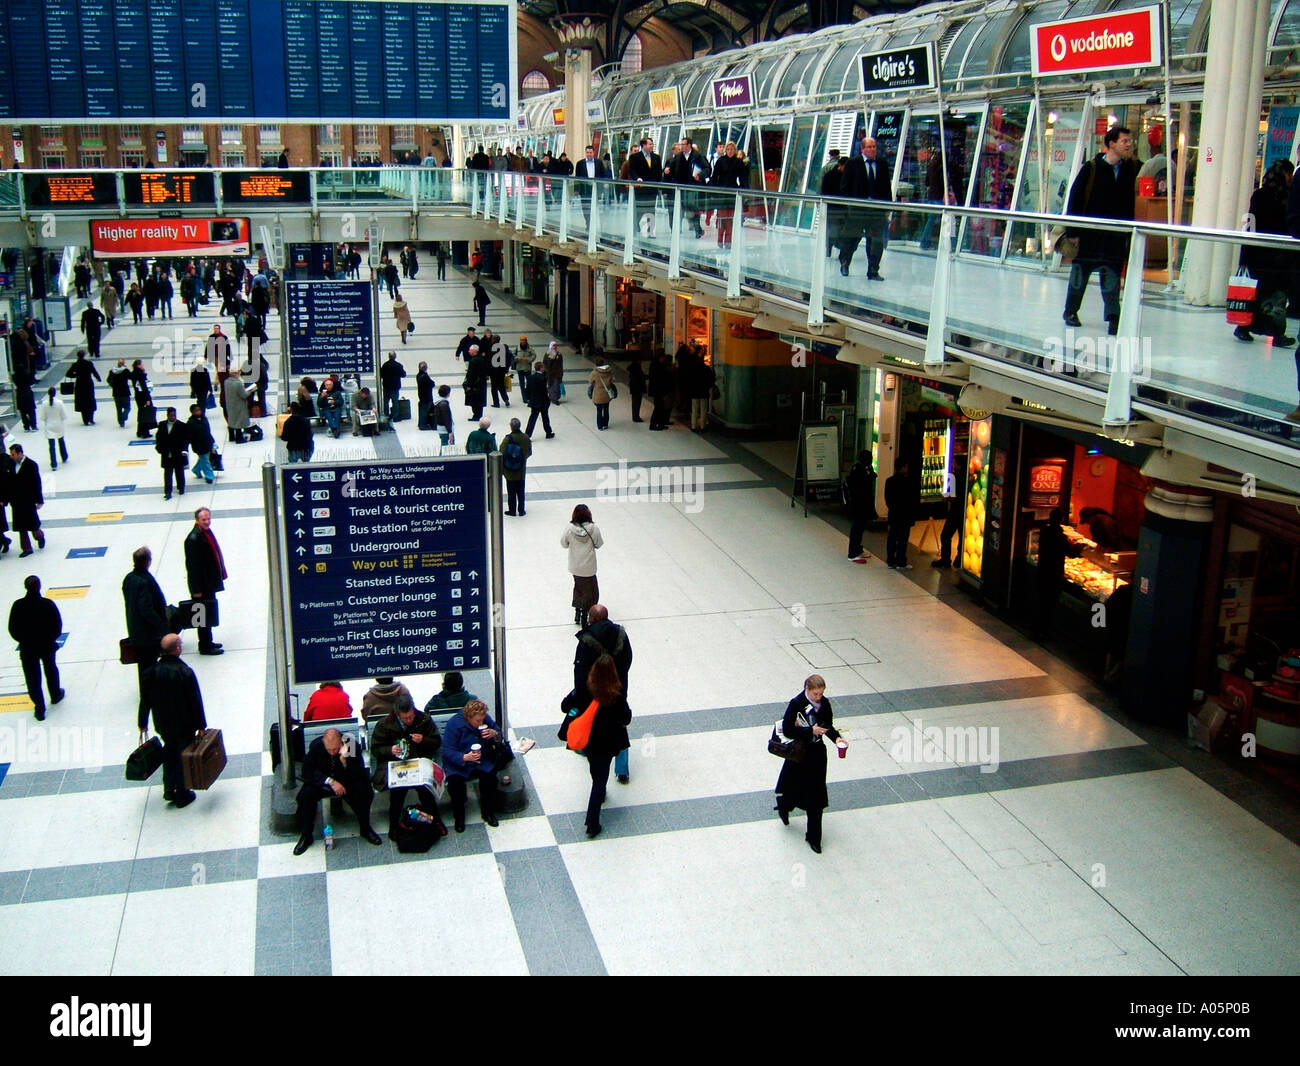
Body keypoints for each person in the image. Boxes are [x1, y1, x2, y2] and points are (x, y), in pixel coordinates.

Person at [1061, 126, 1137, 335]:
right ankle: (1071, 311)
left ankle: (1113, 316)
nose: (1129, 145)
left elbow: (1129, 204)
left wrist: (1130, 232)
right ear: (1111, 144)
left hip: (1115, 235)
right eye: (1125, 141)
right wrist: (1073, 231)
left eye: (1130, 141)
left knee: (1112, 275)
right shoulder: (1092, 168)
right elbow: (1075, 199)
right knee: (1080, 273)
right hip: (1089, 234)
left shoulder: (1128, 170)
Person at [774, 674, 846, 854]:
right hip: (800, 755)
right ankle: (784, 804)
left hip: (817, 755)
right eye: (815, 694)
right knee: (795, 788)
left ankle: (814, 837)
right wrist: (809, 731)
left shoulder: (825, 704)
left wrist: (837, 738)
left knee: (817, 796)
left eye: (820, 694)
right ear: (807, 688)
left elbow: (827, 726)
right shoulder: (796, 703)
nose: (818, 698)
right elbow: (788, 729)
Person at [1234, 159, 1295, 346]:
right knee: (1273, 295)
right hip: (1270, 254)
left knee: (1264, 294)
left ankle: (1248, 328)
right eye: (1288, 173)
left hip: (1266, 255)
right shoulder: (1278, 197)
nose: (1290, 178)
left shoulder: (1265, 195)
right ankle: (1272, 333)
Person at [293, 727, 383, 854]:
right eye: (329, 749)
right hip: (325, 783)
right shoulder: (317, 746)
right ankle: (306, 835)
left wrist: (344, 762)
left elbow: (358, 773)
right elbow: (307, 771)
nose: (332, 752)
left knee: (364, 791)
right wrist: (331, 782)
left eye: (335, 749)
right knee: (306, 795)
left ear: (341, 743)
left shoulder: (351, 745)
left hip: (347, 781)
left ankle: (365, 828)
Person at [143, 633, 206, 809]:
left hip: (163, 723)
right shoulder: (184, 672)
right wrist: (201, 726)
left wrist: (142, 722)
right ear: (177, 648)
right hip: (184, 724)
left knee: (169, 753)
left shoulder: (151, 672)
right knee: (181, 756)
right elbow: (195, 701)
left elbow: (145, 699)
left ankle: (169, 788)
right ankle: (182, 793)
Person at [574, 604, 633, 782]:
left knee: (592, 721)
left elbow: (580, 669)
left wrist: (580, 692)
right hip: (618, 688)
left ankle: (588, 749)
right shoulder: (620, 634)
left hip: (593, 692)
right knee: (620, 723)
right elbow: (628, 658)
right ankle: (622, 769)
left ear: (592, 619)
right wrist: (619, 678)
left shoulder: (586, 639)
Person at [370, 694, 444, 835]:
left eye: (411, 716)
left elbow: (436, 742)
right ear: (398, 715)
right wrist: (389, 750)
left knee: (425, 790)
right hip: (397, 764)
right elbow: (376, 749)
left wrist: (423, 740)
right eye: (405, 718)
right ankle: (394, 825)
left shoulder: (423, 720)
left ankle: (436, 820)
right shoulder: (385, 725)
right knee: (398, 793)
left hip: (418, 763)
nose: (409, 720)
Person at [579, 654, 632, 839]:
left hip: (590, 741)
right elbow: (626, 718)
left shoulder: (586, 692)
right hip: (608, 743)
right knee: (600, 778)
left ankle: (600, 793)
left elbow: (566, 705)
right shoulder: (615, 697)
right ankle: (592, 822)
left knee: (596, 772)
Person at [124, 548, 170, 733]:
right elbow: (146, 608)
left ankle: (146, 689)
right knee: (148, 664)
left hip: (136, 632)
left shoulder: (129, 578)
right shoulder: (143, 581)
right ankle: (149, 692)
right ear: (147, 561)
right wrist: (160, 625)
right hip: (147, 634)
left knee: (143, 664)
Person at [8, 574, 64, 721]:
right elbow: (57, 626)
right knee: (50, 669)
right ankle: (55, 694)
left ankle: (39, 708)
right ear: (39, 586)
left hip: (28, 647)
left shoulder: (18, 605)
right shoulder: (47, 604)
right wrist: (50, 639)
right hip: (46, 645)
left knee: (32, 678)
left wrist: (23, 640)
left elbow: (12, 629)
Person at [441, 699, 502, 832]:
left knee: (490, 779)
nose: (481, 723)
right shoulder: (454, 724)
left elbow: (498, 733)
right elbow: (447, 751)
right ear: (469, 717)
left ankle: (488, 812)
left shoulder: (484, 719)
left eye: (482, 720)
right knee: (455, 785)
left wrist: (494, 734)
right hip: (459, 764)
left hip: (482, 759)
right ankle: (459, 817)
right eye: (478, 721)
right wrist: (464, 757)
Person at [840, 135, 893, 279]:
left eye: (874, 146)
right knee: (851, 239)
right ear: (862, 149)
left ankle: (873, 270)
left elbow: (886, 187)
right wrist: (848, 206)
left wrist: (887, 206)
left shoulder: (882, 164)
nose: (872, 149)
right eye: (869, 147)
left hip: (876, 211)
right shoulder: (853, 163)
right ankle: (845, 262)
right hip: (857, 210)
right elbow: (845, 187)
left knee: (876, 242)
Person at [183, 507, 226, 655]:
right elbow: (192, 567)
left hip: (208, 583)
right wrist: (196, 590)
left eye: (208, 518)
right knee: (203, 616)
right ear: (197, 520)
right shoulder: (193, 539)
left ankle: (208, 641)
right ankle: (205, 645)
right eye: (204, 519)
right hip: (202, 586)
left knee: (208, 612)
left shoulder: (205, 534)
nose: (207, 522)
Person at [1034, 509, 1080, 640]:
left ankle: (1037, 629)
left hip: (1042, 571)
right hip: (1053, 575)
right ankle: (1045, 631)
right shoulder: (1059, 536)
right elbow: (1071, 553)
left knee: (1040, 602)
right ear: (1062, 519)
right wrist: (1079, 547)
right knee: (1049, 605)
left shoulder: (1045, 531)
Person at [561, 504, 604, 627]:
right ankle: (585, 615)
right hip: (589, 567)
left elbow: (563, 543)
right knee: (591, 591)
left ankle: (577, 611)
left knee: (579, 586)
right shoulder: (594, 528)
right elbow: (599, 543)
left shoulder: (569, 529)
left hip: (575, 566)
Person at [8, 444, 44, 557]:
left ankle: (39, 536)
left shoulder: (31, 465)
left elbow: (37, 483)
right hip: (16, 500)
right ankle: (26, 548)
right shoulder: (11, 465)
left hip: (28, 500)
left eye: (13, 454)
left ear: (20, 453)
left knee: (33, 524)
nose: (11, 456)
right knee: (21, 526)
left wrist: (39, 500)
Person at [708, 141, 745, 248]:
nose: (730, 151)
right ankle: (720, 240)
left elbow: (743, 178)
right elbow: (715, 177)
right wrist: (713, 192)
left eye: (732, 149)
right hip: (721, 194)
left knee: (730, 219)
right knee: (722, 218)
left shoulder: (739, 162)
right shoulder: (720, 161)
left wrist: (741, 190)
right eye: (728, 149)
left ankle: (728, 242)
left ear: (735, 150)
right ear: (725, 150)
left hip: (733, 193)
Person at [884, 458, 917, 570]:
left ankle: (890, 560)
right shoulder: (908, 482)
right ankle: (901, 561)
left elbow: (887, 499)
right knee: (903, 539)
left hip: (893, 515)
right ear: (903, 468)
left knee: (892, 538)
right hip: (905, 516)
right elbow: (911, 500)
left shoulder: (889, 481)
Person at [846, 451, 878, 563]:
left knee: (860, 528)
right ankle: (852, 553)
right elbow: (860, 485)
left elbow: (872, 476)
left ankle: (858, 549)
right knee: (856, 528)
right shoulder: (858, 470)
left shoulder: (865, 468)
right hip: (858, 504)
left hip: (864, 504)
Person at [155, 407, 189, 499]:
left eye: (174, 415)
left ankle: (181, 487)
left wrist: (185, 450)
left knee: (179, 472)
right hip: (167, 454)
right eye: (171, 415)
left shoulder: (182, 425)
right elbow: (158, 437)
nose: (173, 417)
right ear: (167, 415)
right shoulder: (162, 425)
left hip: (178, 454)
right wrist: (159, 448)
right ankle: (168, 492)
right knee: (167, 474)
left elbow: (185, 439)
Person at [501, 417, 532, 516]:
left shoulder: (508, 439)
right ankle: (521, 510)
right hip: (521, 470)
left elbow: (501, 452)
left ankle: (512, 510)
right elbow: (529, 452)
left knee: (511, 491)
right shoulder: (526, 438)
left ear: (511, 427)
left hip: (509, 470)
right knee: (520, 490)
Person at [820, 151, 848, 257]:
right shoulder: (832, 174)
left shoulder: (827, 170)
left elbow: (821, 186)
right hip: (835, 206)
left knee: (833, 228)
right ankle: (835, 244)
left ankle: (831, 246)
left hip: (835, 206)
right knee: (836, 228)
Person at [64, 349, 101, 426]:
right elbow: (94, 371)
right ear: (84, 355)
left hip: (80, 384)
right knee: (90, 400)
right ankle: (91, 418)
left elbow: (68, 374)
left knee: (82, 401)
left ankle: (85, 420)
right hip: (88, 383)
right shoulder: (88, 363)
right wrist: (98, 378)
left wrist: (75, 375)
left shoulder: (75, 364)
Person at [186, 403, 216, 484]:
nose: (198, 412)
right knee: (205, 461)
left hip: (207, 443)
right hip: (199, 445)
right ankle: (209, 476)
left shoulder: (204, 419)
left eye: (199, 410)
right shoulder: (190, 423)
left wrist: (212, 441)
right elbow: (189, 436)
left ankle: (196, 469)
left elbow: (208, 431)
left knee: (203, 459)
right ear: (192, 412)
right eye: (196, 411)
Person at [223, 368, 255, 443]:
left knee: (232, 420)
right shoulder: (238, 383)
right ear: (235, 374)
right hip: (239, 404)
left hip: (230, 403)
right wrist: (250, 391)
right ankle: (239, 438)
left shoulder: (226, 382)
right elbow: (243, 395)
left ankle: (231, 437)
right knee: (239, 421)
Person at [40, 388, 69, 470]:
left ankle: (53, 464)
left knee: (51, 446)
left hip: (49, 426)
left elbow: (42, 417)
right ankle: (64, 456)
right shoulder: (60, 403)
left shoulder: (45, 403)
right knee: (61, 441)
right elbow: (64, 416)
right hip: (59, 425)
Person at [934, 487, 962, 569]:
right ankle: (958, 560)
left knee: (945, 535)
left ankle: (945, 560)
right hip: (963, 511)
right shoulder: (967, 477)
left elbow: (955, 497)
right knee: (961, 537)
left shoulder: (956, 476)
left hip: (956, 511)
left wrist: (947, 497)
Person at [525, 361, 555, 438]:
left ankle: (528, 434)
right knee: (545, 417)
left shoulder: (530, 377)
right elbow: (544, 391)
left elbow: (527, 389)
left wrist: (528, 398)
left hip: (534, 401)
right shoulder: (543, 378)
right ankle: (548, 432)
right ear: (541, 368)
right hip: (543, 401)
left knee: (532, 419)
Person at [687, 351, 714, 432]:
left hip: (694, 391)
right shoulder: (707, 369)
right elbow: (711, 380)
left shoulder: (692, 369)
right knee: (704, 410)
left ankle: (693, 426)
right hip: (704, 391)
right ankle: (703, 426)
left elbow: (689, 380)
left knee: (694, 409)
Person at [648, 351, 674, 430]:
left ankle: (660, 424)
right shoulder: (657, 366)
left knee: (660, 408)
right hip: (658, 391)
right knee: (658, 408)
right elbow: (659, 379)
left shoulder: (656, 365)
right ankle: (654, 424)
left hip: (658, 390)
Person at [463, 345, 489, 420]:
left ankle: (476, 415)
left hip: (475, 385)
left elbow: (471, 375)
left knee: (474, 400)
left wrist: (469, 385)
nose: (469, 351)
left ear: (474, 351)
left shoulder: (473, 361)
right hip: (481, 383)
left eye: (470, 350)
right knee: (479, 400)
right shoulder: (482, 358)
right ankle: (479, 414)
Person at [588, 363, 616, 430]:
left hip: (598, 395)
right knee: (606, 410)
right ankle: (605, 424)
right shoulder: (609, 372)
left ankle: (600, 426)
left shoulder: (594, 373)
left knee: (599, 411)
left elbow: (590, 381)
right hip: (606, 395)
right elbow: (612, 380)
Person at [132, 359, 156, 439]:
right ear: (138, 365)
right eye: (142, 365)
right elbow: (144, 387)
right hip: (143, 397)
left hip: (138, 396)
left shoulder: (134, 374)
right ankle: (145, 432)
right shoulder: (140, 375)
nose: (143, 366)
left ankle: (139, 431)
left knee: (141, 413)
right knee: (146, 414)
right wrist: (148, 399)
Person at [107, 358, 132, 427]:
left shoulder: (112, 371)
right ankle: (124, 417)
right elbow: (131, 377)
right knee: (127, 407)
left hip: (116, 392)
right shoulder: (125, 371)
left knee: (119, 408)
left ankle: (121, 422)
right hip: (125, 392)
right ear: (123, 364)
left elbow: (108, 380)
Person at [414, 361, 435, 430]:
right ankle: (422, 425)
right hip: (427, 396)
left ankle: (422, 423)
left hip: (422, 395)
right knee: (424, 411)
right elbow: (431, 384)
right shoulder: (424, 376)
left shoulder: (419, 375)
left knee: (423, 410)